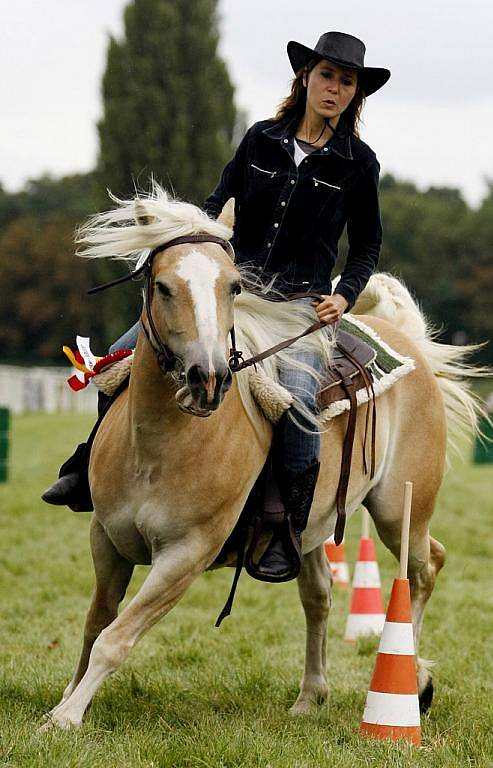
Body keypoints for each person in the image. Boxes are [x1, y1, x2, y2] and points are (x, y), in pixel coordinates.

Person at [42, 31, 390, 583]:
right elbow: (212, 207)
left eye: (347, 82)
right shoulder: (259, 140)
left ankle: (280, 527)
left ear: (355, 94)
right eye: (327, 75)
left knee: (298, 403)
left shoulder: (359, 164)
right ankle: (88, 466)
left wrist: (344, 295)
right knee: (115, 359)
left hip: (298, 310)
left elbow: (367, 244)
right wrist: (194, 258)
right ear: (306, 78)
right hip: (230, 295)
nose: (335, 87)